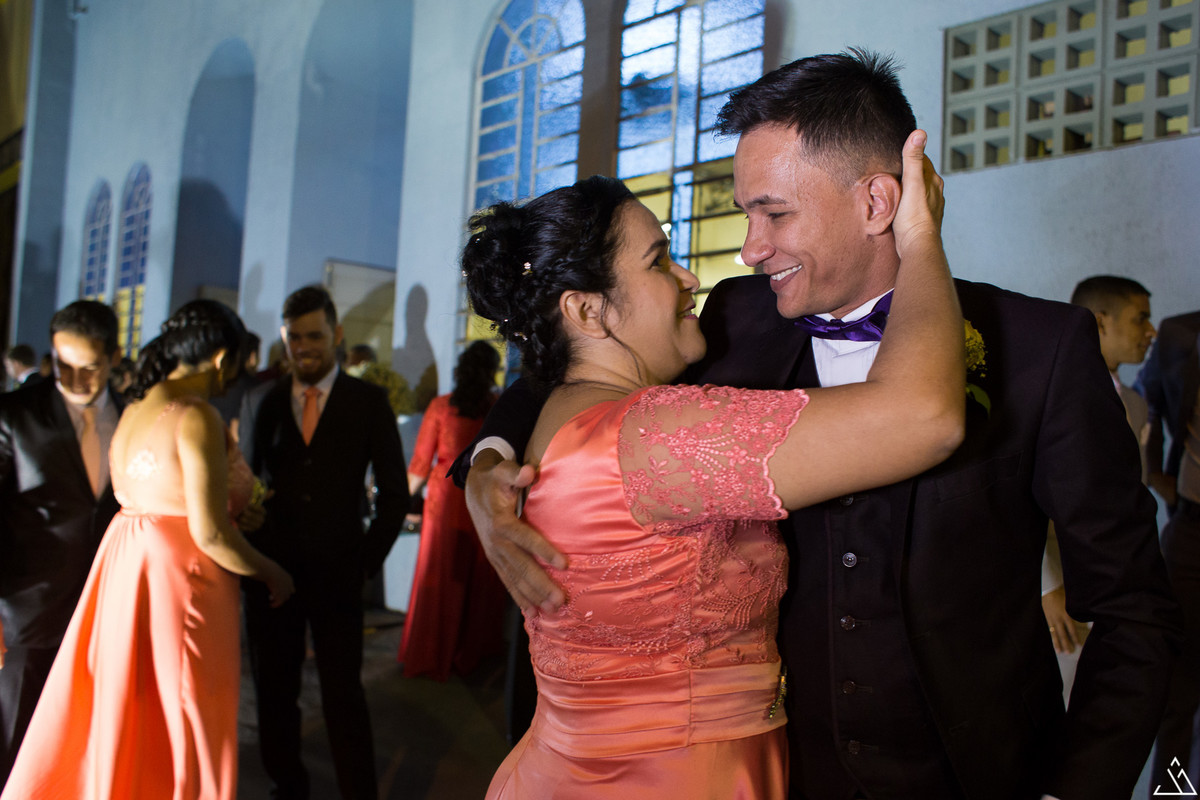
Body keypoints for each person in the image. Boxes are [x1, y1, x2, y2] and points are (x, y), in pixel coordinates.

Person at [463, 50, 1178, 800]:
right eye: (747, 215)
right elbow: (571, 371)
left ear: (878, 204)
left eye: (773, 212)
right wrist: (489, 466)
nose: (749, 248)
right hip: (773, 775)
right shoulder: (732, 321)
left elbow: (1135, 612)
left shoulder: (1044, 348)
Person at [461, 118, 963, 796]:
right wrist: (920, 235)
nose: (689, 276)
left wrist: (485, 459)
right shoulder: (656, 431)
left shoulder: (563, 416)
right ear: (585, 311)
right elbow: (925, 416)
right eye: (658, 260)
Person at [1, 299, 293, 800]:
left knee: (133, 709)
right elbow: (210, 534)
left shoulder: (134, 408)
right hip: (181, 583)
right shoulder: (195, 415)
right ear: (222, 359)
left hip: (127, 574)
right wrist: (272, 572)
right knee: (186, 714)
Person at [238, 284, 408, 800]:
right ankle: (286, 787)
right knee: (275, 692)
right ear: (284, 341)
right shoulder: (259, 402)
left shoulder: (368, 402)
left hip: (339, 573)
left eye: (314, 336)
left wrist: (363, 563)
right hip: (272, 575)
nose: (304, 347)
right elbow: (247, 488)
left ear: (335, 334)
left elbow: (395, 496)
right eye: (294, 339)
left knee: (342, 694)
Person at [0, 301, 123, 790]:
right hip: (27, 610)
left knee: (82, 745)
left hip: (102, 611)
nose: (74, 381)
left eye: (89, 368)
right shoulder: (14, 415)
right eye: (63, 365)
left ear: (114, 357)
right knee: (14, 744)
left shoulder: (134, 417)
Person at [1041, 276, 1156, 703]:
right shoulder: (1050, 394)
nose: (1152, 331)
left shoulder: (1138, 405)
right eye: (1140, 318)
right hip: (1060, 588)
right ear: (1101, 322)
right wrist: (1046, 586)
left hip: (1119, 588)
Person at [399, 340, 506, 681]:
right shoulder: (498, 407)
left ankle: (433, 652)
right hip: (483, 495)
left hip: (446, 497)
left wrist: (397, 506)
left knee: (441, 575)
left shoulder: (441, 407)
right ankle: (469, 654)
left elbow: (418, 466)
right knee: (477, 575)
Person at [1139, 308, 1200, 796]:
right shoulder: (1183, 334)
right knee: (1177, 686)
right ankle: (1174, 793)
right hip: (1193, 527)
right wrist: (1158, 477)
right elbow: (1149, 405)